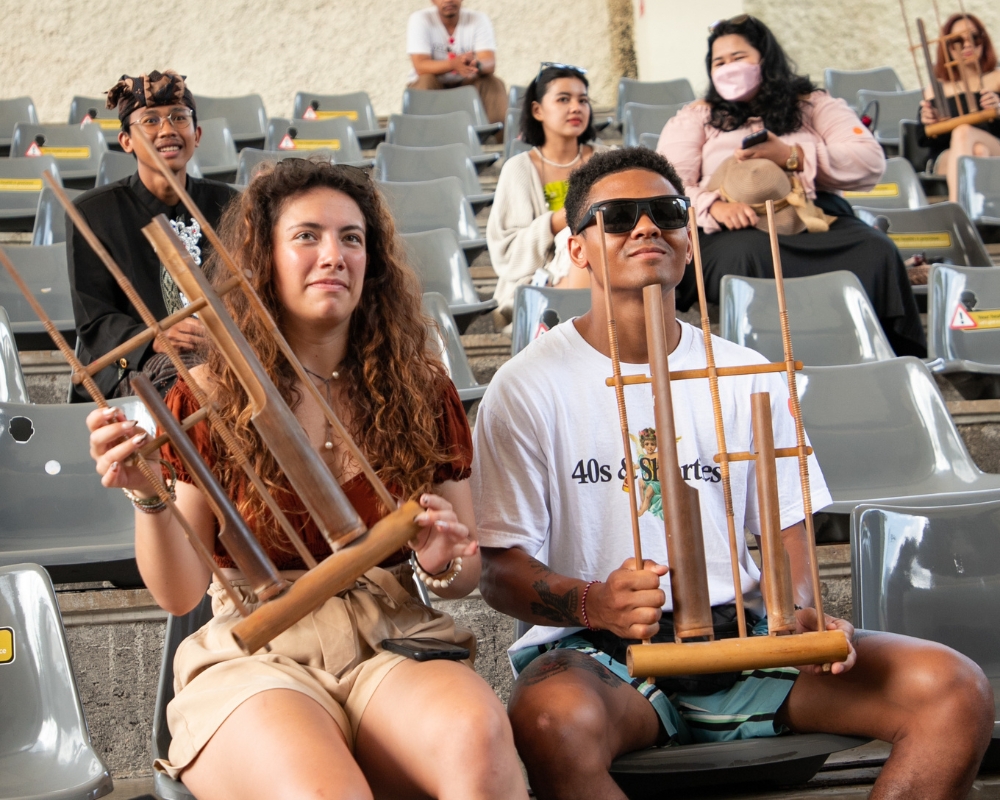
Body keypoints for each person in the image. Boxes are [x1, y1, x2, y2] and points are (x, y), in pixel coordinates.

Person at [472, 147, 993, 800]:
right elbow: (499, 570)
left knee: (954, 689)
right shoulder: (526, 387)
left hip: (746, 635)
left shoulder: (747, 372)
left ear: (688, 238)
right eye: (618, 217)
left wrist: (802, 610)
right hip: (598, 651)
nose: (645, 228)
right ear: (577, 249)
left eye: (665, 212)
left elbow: (788, 531)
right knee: (549, 722)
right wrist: (592, 599)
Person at [86, 159, 528, 800]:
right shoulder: (207, 393)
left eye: (352, 238)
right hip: (254, 652)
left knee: (480, 750)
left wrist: (437, 560)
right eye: (307, 236)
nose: (334, 255)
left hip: (389, 633)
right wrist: (150, 495)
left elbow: (460, 578)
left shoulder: (419, 386)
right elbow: (180, 594)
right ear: (263, 258)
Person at [657, 15, 925, 357]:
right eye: (718, 62)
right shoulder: (698, 116)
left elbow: (869, 161)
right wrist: (714, 207)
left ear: (766, 60)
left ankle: (888, 360)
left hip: (813, 219)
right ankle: (758, 359)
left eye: (739, 58)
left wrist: (790, 156)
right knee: (745, 255)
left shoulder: (812, 104)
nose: (728, 68)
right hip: (731, 228)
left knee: (876, 249)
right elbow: (668, 184)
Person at [68, 70, 237, 400]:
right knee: (191, 379)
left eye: (179, 117)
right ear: (126, 141)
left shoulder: (229, 204)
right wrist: (155, 336)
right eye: (150, 121)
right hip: (133, 363)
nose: (168, 130)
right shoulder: (93, 212)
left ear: (197, 133)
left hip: (221, 354)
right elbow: (95, 319)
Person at [487, 64, 603, 327]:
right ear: (538, 110)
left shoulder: (607, 160)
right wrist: (558, 221)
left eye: (582, 100)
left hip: (601, 269)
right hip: (538, 278)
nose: (576, 107)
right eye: (564, 99)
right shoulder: (518, 169)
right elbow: (506, 252)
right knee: (582, 242)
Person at [919, 13, 1000, 202]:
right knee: (978, 151)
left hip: (996, 146)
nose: (967, 45)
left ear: (984, 40)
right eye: (957, 41)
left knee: (964, 132)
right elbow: (925, 141)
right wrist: (928, 122)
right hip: (948, 155)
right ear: (946, 47)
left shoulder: (997, 79)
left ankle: (959, 210)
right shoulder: (935, 90)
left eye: (974, 37)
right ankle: (977, 214)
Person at [406, 0, 507, 127]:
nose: (449, 0)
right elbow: (420, 66)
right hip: (435, 86)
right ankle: (421, 141)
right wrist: (453, 64)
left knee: (491, 82)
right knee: (425, 81)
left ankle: (500, 142)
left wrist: (476, 65)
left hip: (467, 84)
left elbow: (489, 63)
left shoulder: (478, 19)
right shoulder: (420, 19)